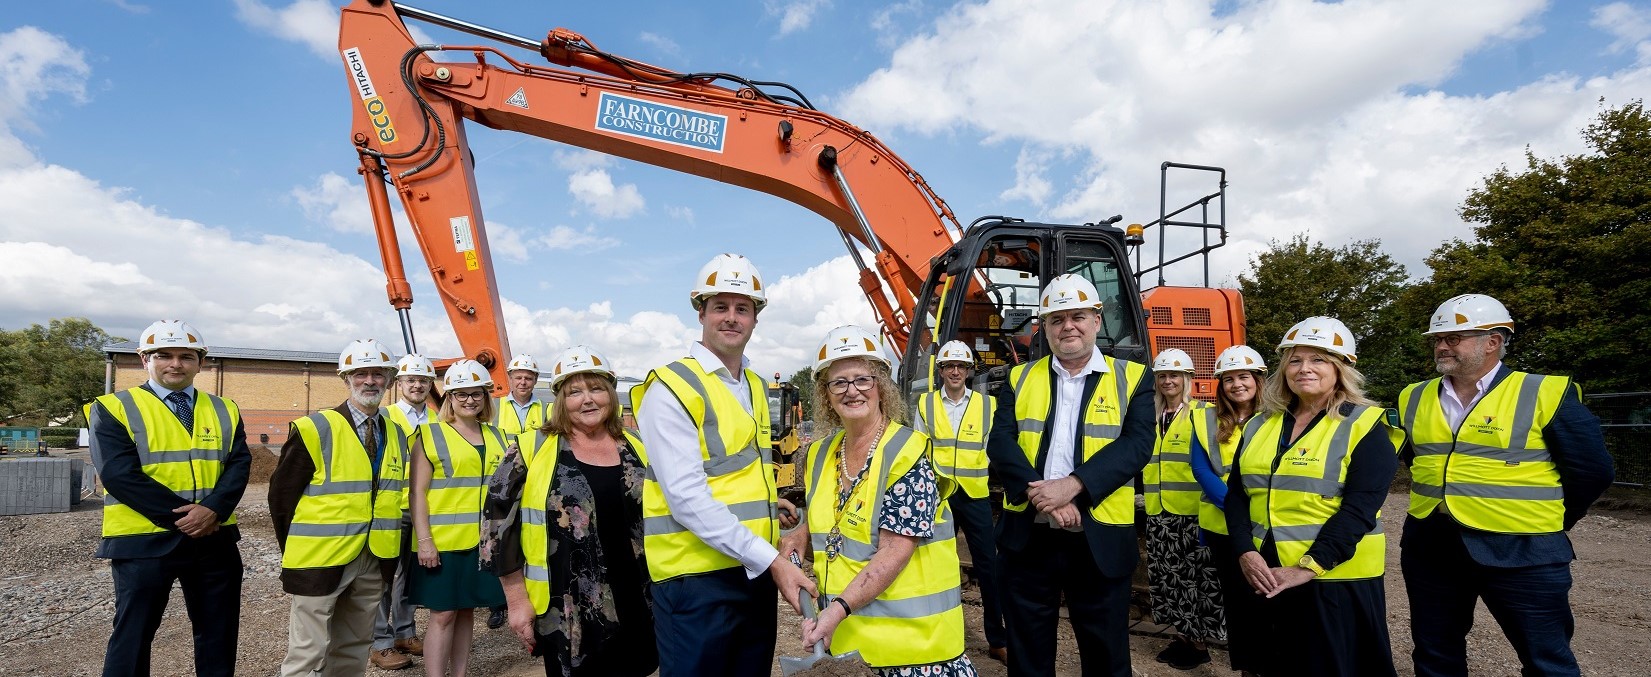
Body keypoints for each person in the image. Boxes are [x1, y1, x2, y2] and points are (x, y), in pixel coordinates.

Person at [1397, 294, 1614, 677]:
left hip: (1524, 549)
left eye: (1454, 337)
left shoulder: (1544, 392)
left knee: (1547, 661)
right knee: (1435, 656)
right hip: (1432, 546)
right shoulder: (1412, 396)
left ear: (1493, 342)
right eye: (1438, 338)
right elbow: (1417, 458)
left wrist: (1550, 519)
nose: (1442, 346)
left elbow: (1592, 471)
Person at [631, 253, 810, 676]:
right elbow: (687, 498)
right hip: (694, 580)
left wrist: (772, 509)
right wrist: (772, 561)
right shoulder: (672, 386)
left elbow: (740, 469)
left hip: (750, 572)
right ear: (701, 313)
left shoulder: (754, 384)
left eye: (743, 308)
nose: (732, 318)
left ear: (755, 318)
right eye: (721, 307)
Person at [985, 274, 1155, 677]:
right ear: (1044, 328)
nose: (1068, 327)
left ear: (1097, 320)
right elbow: (1001, 445)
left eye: (1078, 316)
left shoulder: (1133, 378)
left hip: (1097, 538)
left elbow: (1136, 446)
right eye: (1056, 319)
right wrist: (1044, 498)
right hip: (1029, 536)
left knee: (1106, 655)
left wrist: (1073, 488)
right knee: (1028, 655)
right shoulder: (1017, 377)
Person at [782, 325, 976, 676]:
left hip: (916, 653)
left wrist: (836, 610)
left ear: (880, 387)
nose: (851, 391)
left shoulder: (907, 453)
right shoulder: (821, 454)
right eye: (838, 382)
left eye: (862, 380)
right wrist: (801, 532)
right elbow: (837, 509)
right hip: (850, 648)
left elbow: (895, 549)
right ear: (826, 395)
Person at [1224, 316, 1402, 677]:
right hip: (1266, 570)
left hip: (1333, 577)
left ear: (1340, 368)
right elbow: (1237, 495)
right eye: (1294, 360)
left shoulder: (1365, 425)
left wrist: (1306, 568)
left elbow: (1360, 510)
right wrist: (1244, 550)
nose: (1304, 368)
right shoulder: (1261, 423)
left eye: (1318, 359)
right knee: (1268, 665)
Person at [89, 320, 250, 677]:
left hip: (214, 539)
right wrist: (186, 518)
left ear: (200, 362)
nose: (175, 363)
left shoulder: (225, 408)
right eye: (164, 355)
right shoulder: (114, 407)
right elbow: (118, 475)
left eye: (186, 356)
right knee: (133, 635)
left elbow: (239, 465)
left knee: (218, 635)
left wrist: (213, 510)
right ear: (144, 359)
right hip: (143, 541)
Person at [486, 345, 658, 677]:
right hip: (568, 607)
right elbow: (495, 526)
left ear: (610, 394)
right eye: (575, 391)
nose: (587, 399)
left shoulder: (636, 445)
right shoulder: (530, 448)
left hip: (637, 595)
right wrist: (516, 600)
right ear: (560, 401)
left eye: (596, 388)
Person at [270, 339, 410, 677]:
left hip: (373, 558)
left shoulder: (396, 434)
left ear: (389, 380)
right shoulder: (315, 428)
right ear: (345, 378)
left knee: (352, 650)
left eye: (378, 374)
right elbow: (281, 497)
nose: (370, 381)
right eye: (360, 373)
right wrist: (296, 550)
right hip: (320, 557)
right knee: (307, 653)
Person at [409, 359, 510, 677]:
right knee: (443, 616)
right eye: (461, 394)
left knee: (467, 611)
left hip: (482, 544)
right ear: (449, 398)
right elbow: (417, 494)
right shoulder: (430, 435)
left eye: (476, 394)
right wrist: (424, 541)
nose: (469, 400)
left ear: (485, 398)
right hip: (442, 544)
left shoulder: (499, 437)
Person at [912, 340, 1007, 663]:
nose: (955, 371)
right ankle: (931, 633)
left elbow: (1000, 450)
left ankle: (997, 639)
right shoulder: (925, 405)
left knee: (989, 568)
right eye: (949, 366)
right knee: (932, 567)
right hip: (939, 497)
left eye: (960, 366)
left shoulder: (986, 406)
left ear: (968, 371)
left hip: (975, 496)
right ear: (940, 371)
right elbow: (919, 451)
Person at [1188, 345, 1268, 676]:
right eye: (1229, 379)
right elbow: (1201, 468)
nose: (1236, 384)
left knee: (1266, 600)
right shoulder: (1205, 417)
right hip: (1224, 528)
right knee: (1237, 605)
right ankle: (1247, 668)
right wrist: (1236, 510)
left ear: (1259, 379)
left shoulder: (1278, 416)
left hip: (1266, 526)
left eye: (1244, 376)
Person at [1142, 348, 1221, 670]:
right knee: (1166, 580)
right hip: (1158, 512)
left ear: (1187, 379)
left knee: (1194, 582)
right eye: (1162, 376)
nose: (1168, 381)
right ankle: (1184, 636)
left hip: (1191, 514)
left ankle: (1199, 643)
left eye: (1174, 375)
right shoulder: (1151, 417)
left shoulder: (1204, 415)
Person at [372, 353, 440, 670]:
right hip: (389, 510)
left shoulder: (437, 423)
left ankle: (404, 633)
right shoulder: (383, 418)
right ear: (399, 383)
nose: (417, 385)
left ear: (430, 385)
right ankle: (380, 642)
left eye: (423, 380)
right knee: (383, 578)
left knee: (410, 579)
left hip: (421, 511)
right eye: (411, 379)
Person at [488, 353, 546, 629]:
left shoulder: (545, 409)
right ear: (509, 379)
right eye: (518, 377)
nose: (523, 381)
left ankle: (528, 595)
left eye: (528, 377)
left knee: (524, 536)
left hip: (533, 480)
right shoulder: (496, 406)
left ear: (535, 380)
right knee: (498, 535)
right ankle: (497, 604)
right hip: (502, 481)